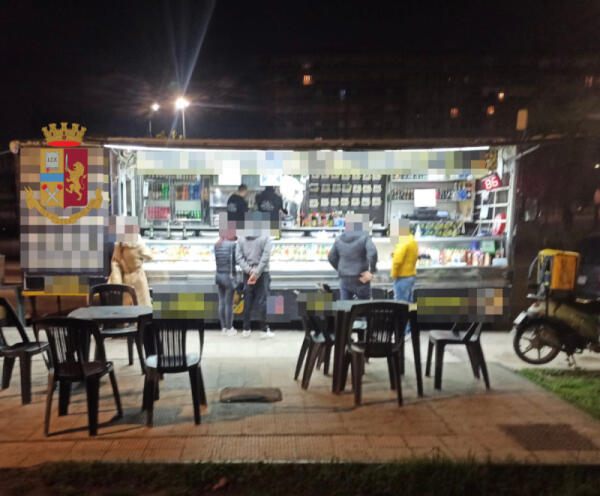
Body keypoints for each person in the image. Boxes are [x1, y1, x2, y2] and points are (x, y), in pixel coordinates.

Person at [236, 213, 274, 338]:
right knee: (262, 301)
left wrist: (249, 270)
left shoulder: (241, 238)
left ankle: (246, 329)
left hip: (247, 274)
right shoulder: (265, 237)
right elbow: (265, 256)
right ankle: (263, 330)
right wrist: (257, 272)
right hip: (262, 273)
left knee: (247, 300)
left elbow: (238, 257)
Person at [328, 213, 378, 300]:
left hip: (345, 278)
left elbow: (331, 257)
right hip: (361, 278)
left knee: (346, 306)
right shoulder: (364, 237)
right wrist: (371, 271)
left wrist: (340, 269)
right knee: (364, 306)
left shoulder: (338, 239)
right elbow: (373, 253)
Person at [108, 235, 153, 306]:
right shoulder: (138, 245)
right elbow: (150, 256)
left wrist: (117, 281)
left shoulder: (119, 245)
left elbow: (115, 262)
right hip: (138, 278)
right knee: (141, 304)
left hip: (126, 279)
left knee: (128, 305)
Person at [214, 215, 238, 336]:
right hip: (229, 277)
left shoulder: (216, 244)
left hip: (219, 275)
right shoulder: (232, 245)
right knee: (229, 303)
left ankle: (223, 327)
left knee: (221, 302)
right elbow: (236, 260)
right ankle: (229, 328)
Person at [391, 219, 418, 303]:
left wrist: (394, 274)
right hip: (411, 276)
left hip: (402, 276)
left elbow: (397, 260)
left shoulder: (403, 240)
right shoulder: (412, 239)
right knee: (409, 302)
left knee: (401, 303)